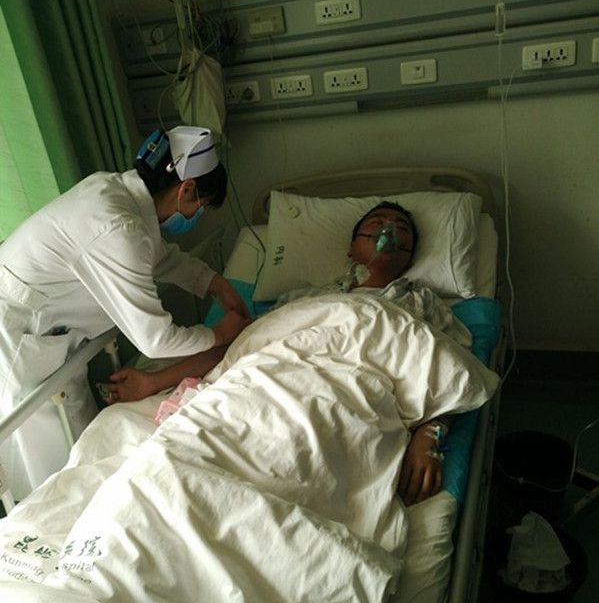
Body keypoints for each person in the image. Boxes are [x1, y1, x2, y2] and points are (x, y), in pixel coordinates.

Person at [100, 201, 469, 505]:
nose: (388, 228)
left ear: (408, 255)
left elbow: (448, 372)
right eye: (377, 222)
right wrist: (153, 381)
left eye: (401, 228)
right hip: (268, 384)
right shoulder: (304, 298)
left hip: (348, 394)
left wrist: (428, 436)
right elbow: (242, 348)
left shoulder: (421, 304)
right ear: (351, 247)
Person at [0, 125, 251, 499]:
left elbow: (156, 256)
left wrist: (214, 283)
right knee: (43, 469)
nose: (196, 214)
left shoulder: (117, 196)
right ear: (186, 189)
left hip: (54, 339)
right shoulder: (115, 226)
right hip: (16, 337)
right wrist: (219, 334)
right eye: (200, 205)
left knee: (79, 453)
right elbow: (156, 340)